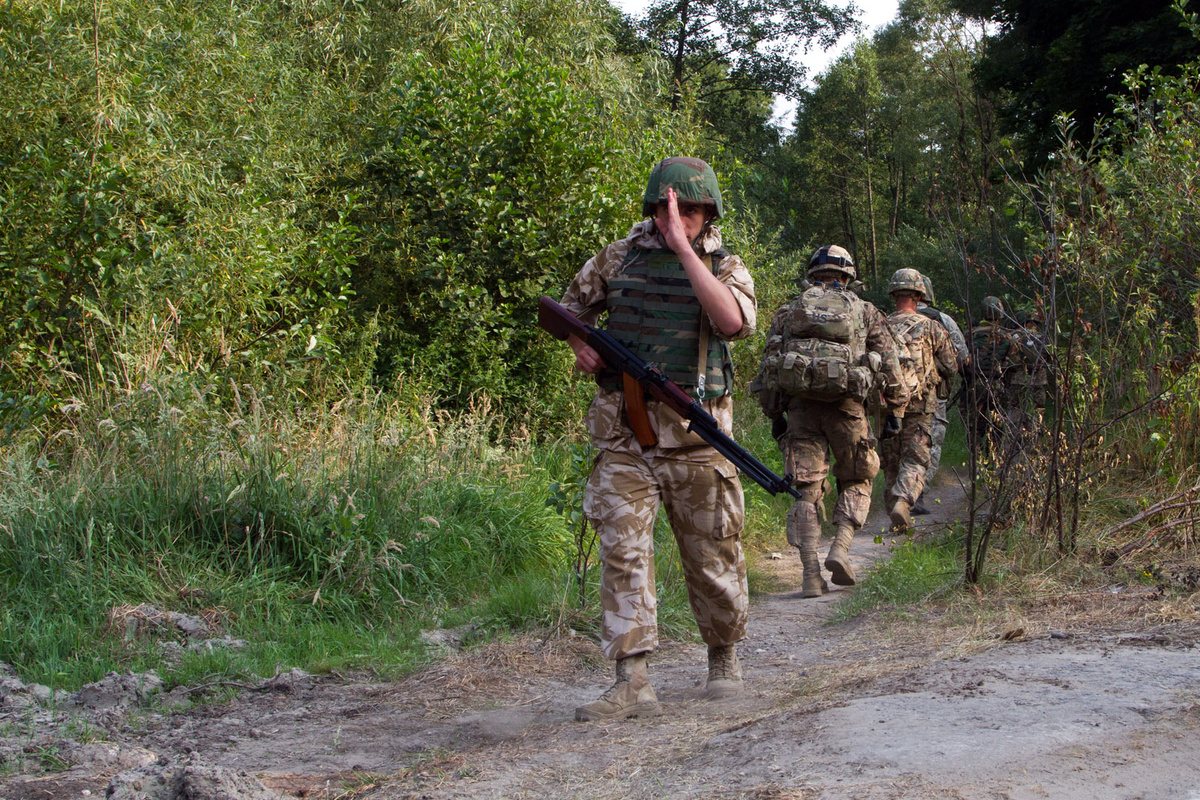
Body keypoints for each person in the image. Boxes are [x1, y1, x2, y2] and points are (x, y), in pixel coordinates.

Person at [560, 157, 757, 722]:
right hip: (623, 433)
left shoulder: (724, 264)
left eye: (693, 210)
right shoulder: (618, 257)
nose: (682, 218)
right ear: (653, 206)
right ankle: (632, 679)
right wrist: (579, 346)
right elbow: (569, 309)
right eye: (673, 208)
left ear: (708, 214)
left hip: (697, 435)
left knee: (712, 552)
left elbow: (732, 323)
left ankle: (722, 656)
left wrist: (683, 251)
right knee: (622, 549)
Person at [753, 246, 907, 598]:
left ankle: (810, 574)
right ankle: (840, 548)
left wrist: (775, 415)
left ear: (812, 274)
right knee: (858, 478)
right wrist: (895, 410)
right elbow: (889, 364)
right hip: (848, 410)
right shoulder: (866, 311)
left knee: (806, 491)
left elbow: (769, 366)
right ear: (848, 275)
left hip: (801, 411)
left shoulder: (788, 311)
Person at [881, 269, 959, 532]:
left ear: (894, 294)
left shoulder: (880, 324)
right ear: (918, 295)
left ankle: (894, 510)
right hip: (920, 403)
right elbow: (951, 365)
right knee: (915, 458)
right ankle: (904, 502)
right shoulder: (932, 327)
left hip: (887, 405)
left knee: (890, 461)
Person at [912, 273, 969, 515]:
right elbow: (962, 357)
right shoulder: (942, 320)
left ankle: (897, 492)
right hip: (933, 397)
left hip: (897, 396)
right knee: (930, 444)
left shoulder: (890, 319)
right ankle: (915, 494)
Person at [967, 296, 1018, 458]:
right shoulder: (1007, 337)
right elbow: (1014, 364)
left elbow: (961, 360)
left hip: (974, 386)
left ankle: (977, 459)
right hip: (997, 386)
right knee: (997, 425)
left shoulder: (969, 334)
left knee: (974, 426)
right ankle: (994, 460)